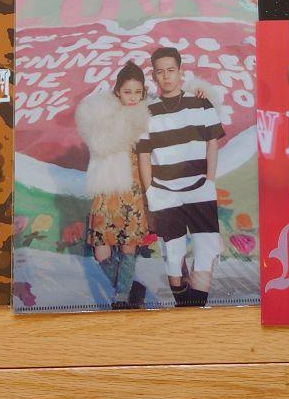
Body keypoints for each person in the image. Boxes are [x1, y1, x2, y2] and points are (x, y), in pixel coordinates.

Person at [137, 47, 225, 308]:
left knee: (206, 251)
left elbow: (212, 143)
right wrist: (150, 191)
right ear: (154, 75)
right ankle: (183, 309)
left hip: (199, 188)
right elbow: (144, 155)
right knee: (173, 256)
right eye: (160, 72)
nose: (166, 76)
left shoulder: (201, 103)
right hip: (164, 192)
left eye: (171, 70)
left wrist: (209, 180)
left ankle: (194, 310)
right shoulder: (146, 113)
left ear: (180, 72)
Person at [73, 61, 152, 309]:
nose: (133, 97)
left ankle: (121, 298)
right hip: (106, 191)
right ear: (117, 91)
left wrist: (198, 90)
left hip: (133, 191)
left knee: (129, 246)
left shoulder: (146, 117)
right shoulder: (101, 115)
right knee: (101, 252)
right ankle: (130, 289)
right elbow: (98, 144)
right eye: (127, 91)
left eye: (138, 92)